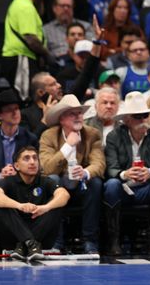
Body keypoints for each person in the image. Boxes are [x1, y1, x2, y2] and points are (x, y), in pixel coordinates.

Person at [103, 92, 150, 256]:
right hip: (123, 187)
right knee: (111, 185)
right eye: (137, 116)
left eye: (145, 115)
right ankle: (114, 240)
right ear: (127, 119)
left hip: (146, 187)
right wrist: (125, 174)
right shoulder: (114, 136)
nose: (142, 120)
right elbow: (111, 168)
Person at [0, 89, 40, 255]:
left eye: (17, 108)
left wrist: (20, 173)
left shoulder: (29, 137)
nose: (15, 112)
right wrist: (1, 174)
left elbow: (37, 167)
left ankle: (31, 239)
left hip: (21, 181)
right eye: (10, 109)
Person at [39, 95, 105, 254]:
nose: (78, 117)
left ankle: (90, 241)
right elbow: (47, 168)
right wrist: (68, 146)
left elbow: (99, 163)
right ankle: (56, 242)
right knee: (52, 180)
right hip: (60, 186)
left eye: (80, 113)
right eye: (72, 114)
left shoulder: (92, 134)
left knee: (95, 183)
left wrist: (85, 172)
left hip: (81, 187)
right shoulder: (49, 136)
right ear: (61, 119)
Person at [0, 146, 70, 260]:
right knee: (4, 205)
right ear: (16, 166)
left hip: (41, 239)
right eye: (26, 158)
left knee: (56, 204)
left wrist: (46, 207)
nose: (32, 162)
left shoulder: (45, 181)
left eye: (35, 158)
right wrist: (19, 206)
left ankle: (25, 244)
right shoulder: (8, 181)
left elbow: (64, 195)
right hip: (12, 238)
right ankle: (30, 243)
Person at [1, 0, 57, 99]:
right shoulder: (25, 7)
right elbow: (31, 39)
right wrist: (47, 54)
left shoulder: (21, 1)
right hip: (20, 58)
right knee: (25, 97)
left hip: (21, 57)